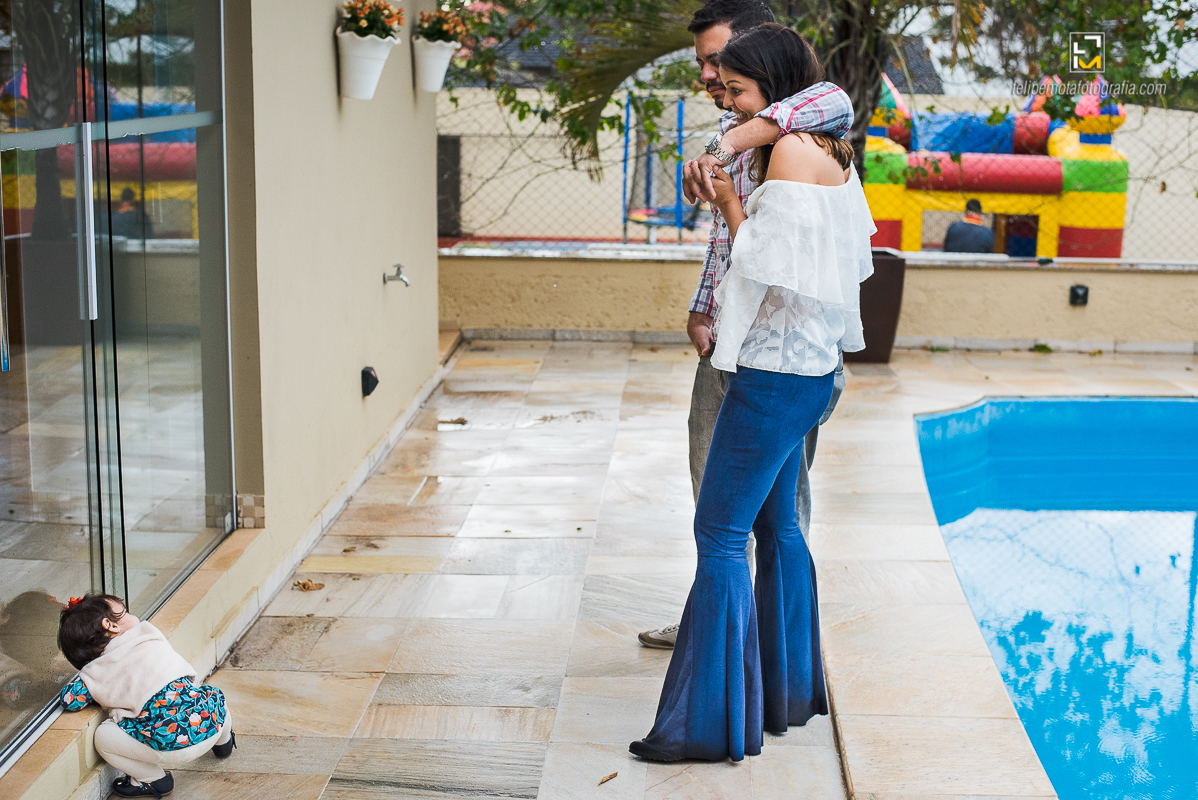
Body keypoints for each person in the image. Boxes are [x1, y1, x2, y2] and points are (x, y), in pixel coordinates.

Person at [629, 23, 875, 762]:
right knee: (778, 528)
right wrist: (734, 165)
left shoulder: (795, 148)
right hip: (805, 370)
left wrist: (730, 203)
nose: (727, 102)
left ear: (775, 87)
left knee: (720, 535)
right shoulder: (820, 144)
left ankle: (708, 727)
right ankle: (785, 694)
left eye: (737, 89)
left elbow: (765, 261)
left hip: (776, 373)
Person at [57, 594, 235, 798]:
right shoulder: (148, 634)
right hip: (211, 721)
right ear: (110, 625)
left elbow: (69, 700)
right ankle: (224, 741)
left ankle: (154, 779)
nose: (133, 616)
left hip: (173, 745)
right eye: (125, 613)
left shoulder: (94, 671)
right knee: (206, 695)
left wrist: (84, 678)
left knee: (103, 737)